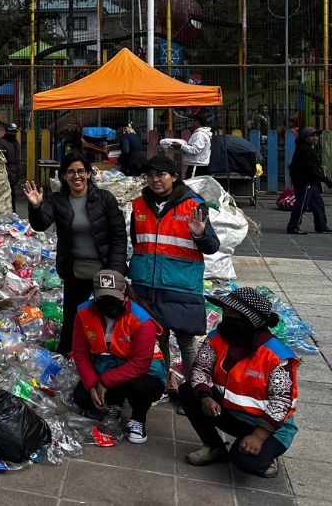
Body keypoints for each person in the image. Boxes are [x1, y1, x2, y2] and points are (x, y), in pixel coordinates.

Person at [128, 155, 220, 403]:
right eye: (150, 175)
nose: (155, 180)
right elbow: (137, 242)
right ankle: (160, 385)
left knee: (186, 340)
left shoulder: (193, 205)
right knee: (158, 339)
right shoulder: (139, 205)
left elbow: (212, 246)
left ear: (174, 177)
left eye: (161, 175)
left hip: (181, 284)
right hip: (147, 285)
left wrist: (200, 235)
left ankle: (193, 395)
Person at [181, 288, 298, 479]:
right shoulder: (217, 339)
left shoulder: (276, 356)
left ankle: (267, 453)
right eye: (226, 312)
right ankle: (214, 447)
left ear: (250, 320)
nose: (227, 317)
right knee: (188, 391)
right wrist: (205, 397)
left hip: (268, 425)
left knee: (246, 462)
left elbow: (281, 403)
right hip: (231, 412)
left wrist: (259, 436)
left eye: (234, 314)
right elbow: (200, 369)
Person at [23, 152, 127, 354]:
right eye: (70, 172)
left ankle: (107, 357)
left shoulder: (104, 199)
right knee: (73, 318)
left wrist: (116, 271)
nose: (76, 176)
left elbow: (119, 237)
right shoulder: (59, 200)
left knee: (108, 317)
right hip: (75, 271)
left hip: (104, 271)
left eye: (81, 171)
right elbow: (41, 224)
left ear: (89, 174)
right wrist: (36, 206)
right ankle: (68, 356)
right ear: (63, 176)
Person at [71, 270, 168, 444]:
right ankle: (113, 403)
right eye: (103, 300)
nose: (109, 305)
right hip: (107, 364)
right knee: (82, 397)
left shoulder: (141, 320)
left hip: (143, 371)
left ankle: (138, 419)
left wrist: (105, 381)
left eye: (114, 299)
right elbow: (80, 353)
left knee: (140, 387)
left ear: (125, 294)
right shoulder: (83, 313)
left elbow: (140, 364)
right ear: (94, 296)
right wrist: (93, 385)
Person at [286, 126, 332, 235]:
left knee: (318, 203)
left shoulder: (312, 148)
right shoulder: (304, 149)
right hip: (304, 181)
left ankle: (321, 226)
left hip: (311, 181)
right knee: (301, 204)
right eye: (312, 136)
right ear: (306, 138)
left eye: (316, 136)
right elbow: (311, 169)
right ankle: (293, 227)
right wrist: (326, 180)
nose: (315, 138)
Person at [171, 113, 213, 179]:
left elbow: (195, 150)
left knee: (191, 187)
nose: (191, 123)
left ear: (197, 122)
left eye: (192, 121)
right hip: (199, 166)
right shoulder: (201, 133)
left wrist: (181, 146)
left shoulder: (199, 134)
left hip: (196, 167)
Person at [0, 123, 21, 200]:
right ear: (6, 131)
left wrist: (17, 175)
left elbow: (17, 161)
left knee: (12, 198)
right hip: (4, 177)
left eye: (15, 132)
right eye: (11, 132)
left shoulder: (16, 143)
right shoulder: (0, 144)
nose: (13, 134)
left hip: (13, 176)